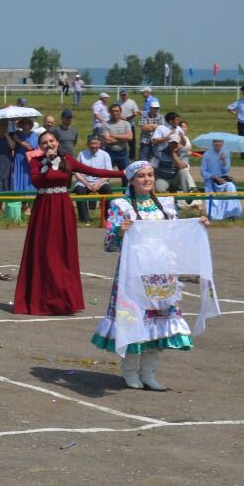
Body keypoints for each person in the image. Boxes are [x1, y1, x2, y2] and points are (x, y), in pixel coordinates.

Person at [91, 161, 210, 390]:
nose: (147, 179)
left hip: (162, 272)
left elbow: (176, 238)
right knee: (134, 320)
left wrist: (198, 226)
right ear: (131, 180)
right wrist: (120, 231)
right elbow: (109, 244)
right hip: (134, 273)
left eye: (150, 175)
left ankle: (149, 373)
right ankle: (130, 371)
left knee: (158, 322)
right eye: (141, 176)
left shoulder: (166, 206)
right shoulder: (121, 205)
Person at [13, 130, 125, 316]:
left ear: (57, 142)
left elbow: (95, 172)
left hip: (63, 209)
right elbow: (36, 182)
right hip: (44, 210)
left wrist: (124, 171)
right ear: (40, 147)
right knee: (44, 253)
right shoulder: (35, 161)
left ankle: (64, 300)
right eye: (44, 143)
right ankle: (41, 300)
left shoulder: (68, 160)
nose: (49, 144)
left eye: (51, 141)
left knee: (63, 253)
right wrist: (48, 163)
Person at [72, 134, 115, 223]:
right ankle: (85, 218)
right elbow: (76, 171)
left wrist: (98, 184)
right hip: (84, 182)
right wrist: (86, 183)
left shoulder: (105, 155)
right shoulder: (81, 154)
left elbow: (109, 173)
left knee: (108, 189)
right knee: (79, 190)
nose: (94, 146)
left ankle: (108, 217)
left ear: (100, 144)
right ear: (88, 144)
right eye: (92, 143)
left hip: (100, 182)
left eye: (96, 143)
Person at [200, 138, 242, 221]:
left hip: (222, 180)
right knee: (211, 193)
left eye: (219, 142)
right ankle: (214, 215)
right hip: (210, 180)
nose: (217, 143)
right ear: (212, 143)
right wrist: (213, 176)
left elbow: (226, 170)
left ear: (222, 143)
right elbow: (203, 171)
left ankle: (232, 213)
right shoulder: (207, 154)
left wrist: (224, 161)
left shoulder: (225, 153)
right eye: (215, 141)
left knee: (231, 187)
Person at [101, 103, 133, 170]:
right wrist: (124, 138)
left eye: (117, 111)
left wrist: (113, 136)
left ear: (120, 112)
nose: (115, 113)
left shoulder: (126, 124)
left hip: (123, 154)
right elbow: (108, 141)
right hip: (110, 153)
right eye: (112, 111)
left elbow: (130, 137)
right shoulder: (105, 124)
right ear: (110, 112)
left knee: (126, 174)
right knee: (106, 174)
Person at [117, 89, 140, 160]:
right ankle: (120, 155)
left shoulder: (132, 102)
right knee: (120, 140)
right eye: (122, 95)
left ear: (127, 94)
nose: (124, 96)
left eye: (125, 94)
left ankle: (132, 157)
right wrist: (123, 118)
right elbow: (115, 113)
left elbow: (136, 112)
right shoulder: (118, 103)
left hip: (130, 124)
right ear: (120, 95)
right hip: (120, 124)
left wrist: (128, 118)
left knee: (132, 142)